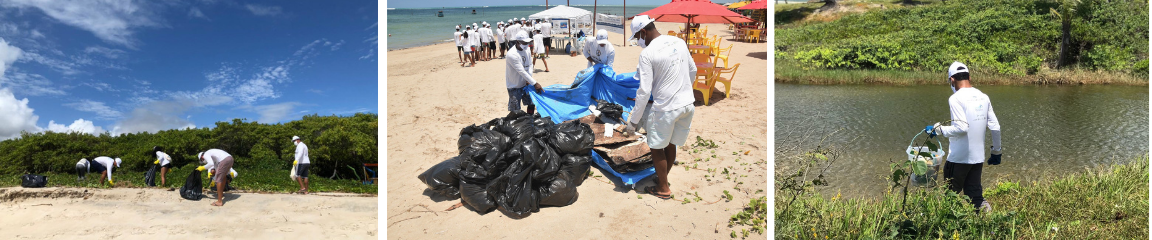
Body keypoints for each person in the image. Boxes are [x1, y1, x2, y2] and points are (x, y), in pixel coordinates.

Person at [625, 15, 697, 200]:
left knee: (656, 147)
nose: (638, 41)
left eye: (637, 37)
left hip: (666, 108)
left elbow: (644, 91)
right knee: (670, 143)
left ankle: (663, 188)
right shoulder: (678, 41)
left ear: (643, 32)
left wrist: (633, 122)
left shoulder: (647, 54)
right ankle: (662, 177)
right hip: (687, 104)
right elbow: (693, 70)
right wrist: (682, 91)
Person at [924, 62, 1003, 213]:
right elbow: (995, 126)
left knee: (950, 196)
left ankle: (949, 228)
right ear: (969, 77)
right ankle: (988, 224)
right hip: (977, 158)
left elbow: (962, 127)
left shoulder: (955, 99)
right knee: (975, 197)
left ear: (952, 80)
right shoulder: (983, 97)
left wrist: (937, 129)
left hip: (958, 159)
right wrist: (996, 152)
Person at [505, 31, 544, 115]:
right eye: (524, 42)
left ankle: (530, 118)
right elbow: (521, 71)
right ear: (517, 42)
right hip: (514, 85)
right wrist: (535, 83)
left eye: (527, 42)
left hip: (526, 84)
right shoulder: (512, 54)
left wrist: (529, 79)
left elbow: (530, 64)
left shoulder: (527, 49)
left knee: (531, 103)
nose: (526, 44)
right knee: (515, 110)